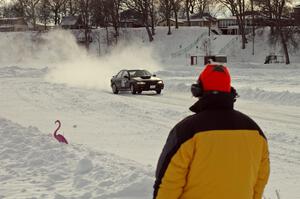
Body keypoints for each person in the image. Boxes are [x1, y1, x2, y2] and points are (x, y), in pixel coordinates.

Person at [153, 64, 270, 199]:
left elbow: (169, 182)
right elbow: (260, 180)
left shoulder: (187, 131)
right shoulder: (255, 131)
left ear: (198, 90)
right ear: (229, 91)